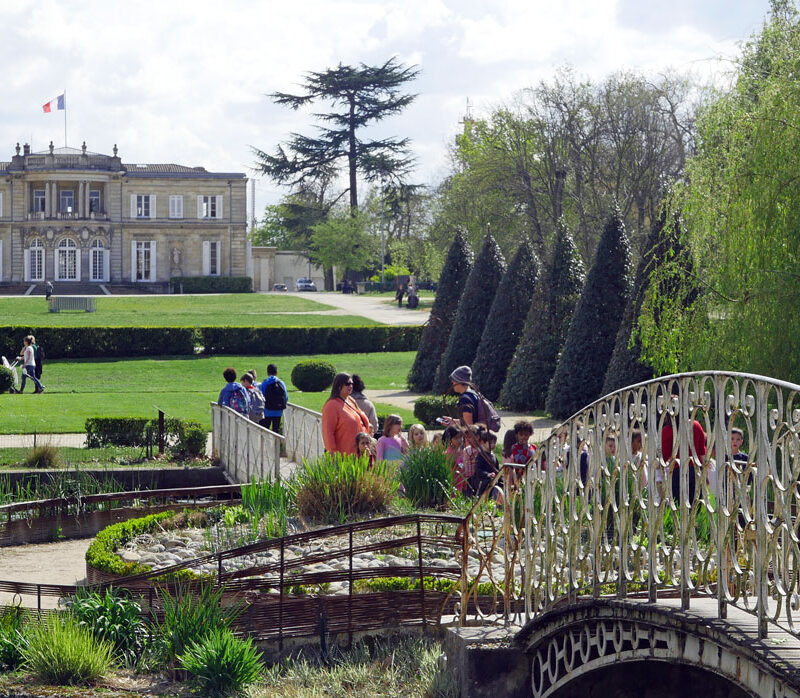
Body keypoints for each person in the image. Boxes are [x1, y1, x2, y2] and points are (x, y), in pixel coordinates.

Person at [322, 372, 372, 455]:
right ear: (338, 385)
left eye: (352, 383)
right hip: (344, 456)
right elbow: (328, 433)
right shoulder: (331, 405)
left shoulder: (350, 400)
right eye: (347, 384)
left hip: (360, 454)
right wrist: (333, 453)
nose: (351, 386)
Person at [259, 364, 288, 434]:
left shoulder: (265, 383)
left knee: (265, 431)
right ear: (276, 372)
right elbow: (286, 397)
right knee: (276, 431)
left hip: (267, 410)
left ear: (267, 372)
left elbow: (260, 396)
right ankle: (276, 444)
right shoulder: (281, 383)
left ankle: (266, 444)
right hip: (278, 411)